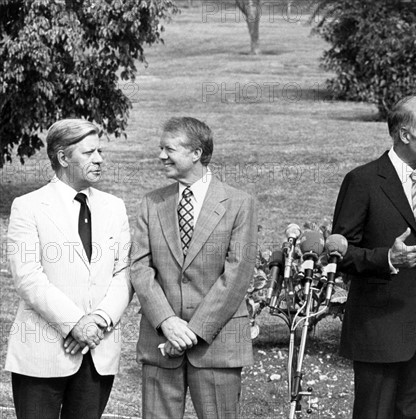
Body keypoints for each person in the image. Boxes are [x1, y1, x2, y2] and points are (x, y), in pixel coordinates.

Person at [332, 96, 416, 419]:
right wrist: (387, 259)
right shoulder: (362, 181)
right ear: (404, 134)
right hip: (379, 334)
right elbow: (341, 253)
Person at [130, 117, 257, 419]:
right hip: (160, 344)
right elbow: (140, 268)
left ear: (196, 153)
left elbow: (237, 275)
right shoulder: (151, 203)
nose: (161, 156)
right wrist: (167, 323)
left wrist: (194, 332)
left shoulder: (239, 203)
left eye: (169, 149)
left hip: (217, 347)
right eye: (161, 148)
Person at [5, 119, 133, 419]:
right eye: (89, 153)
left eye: (100, 151)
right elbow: (28, 279)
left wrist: (98, 321)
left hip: (97, 354)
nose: (99, 159)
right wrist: (76, 323)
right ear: (63, 158)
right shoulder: (28, 206)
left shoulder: (114, 207)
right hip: (41, 356)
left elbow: (124, 273)